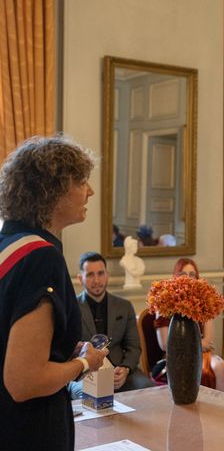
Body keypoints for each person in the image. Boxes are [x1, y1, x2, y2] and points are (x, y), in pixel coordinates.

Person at [0, 136, 108, 450]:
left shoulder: (8, 245)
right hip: (28, 429)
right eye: (82, 181)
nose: (89, 191)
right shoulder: (41, 257)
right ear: (53, 190)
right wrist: (86, 363)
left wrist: (62, 352)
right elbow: (24, 382)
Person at [68, 252, 153, 399]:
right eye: (90, 275)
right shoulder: (70, 307)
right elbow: (67, 349)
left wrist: (125, 369)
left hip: (120, 372)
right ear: (80, 278)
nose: (96, 280)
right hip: (85, 373)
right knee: (85, 394)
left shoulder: (124, 306)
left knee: (148, 389)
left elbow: (134, 347)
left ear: (107, 275)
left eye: (100, 273)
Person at [154, 258, 224, 392]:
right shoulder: (165, 301)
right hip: (175, 355)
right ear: (176, 277)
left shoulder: (204, 299)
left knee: (220, 366)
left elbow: (208, 340)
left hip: (201, 354)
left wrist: (197, 345)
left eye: (192, 274)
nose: (188, 278)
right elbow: (165, 345)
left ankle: (219, 409)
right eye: (183, 274)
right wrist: (197, 344)